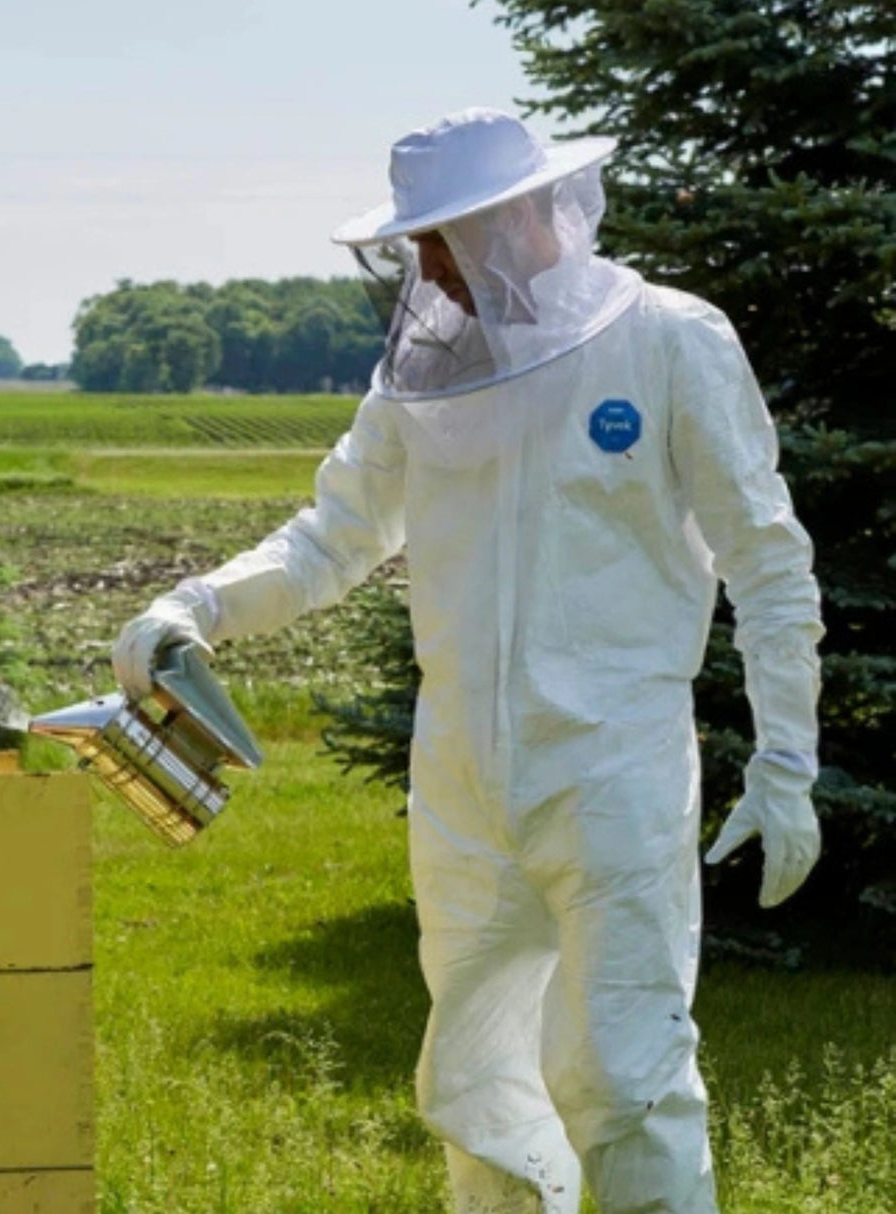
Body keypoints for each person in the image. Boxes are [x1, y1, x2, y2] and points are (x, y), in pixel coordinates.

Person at [112, 109, 823, 1214]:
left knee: (625, 1075)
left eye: (446, 238)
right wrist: (198, 603)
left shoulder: (670, 339)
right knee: (474, 1084)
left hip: (614, 768)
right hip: (460, 777)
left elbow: (766, 559)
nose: (429, 268)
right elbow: (331, 538)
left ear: (529, 215)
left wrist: (785, 761)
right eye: (417, 243)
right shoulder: (421, 374)